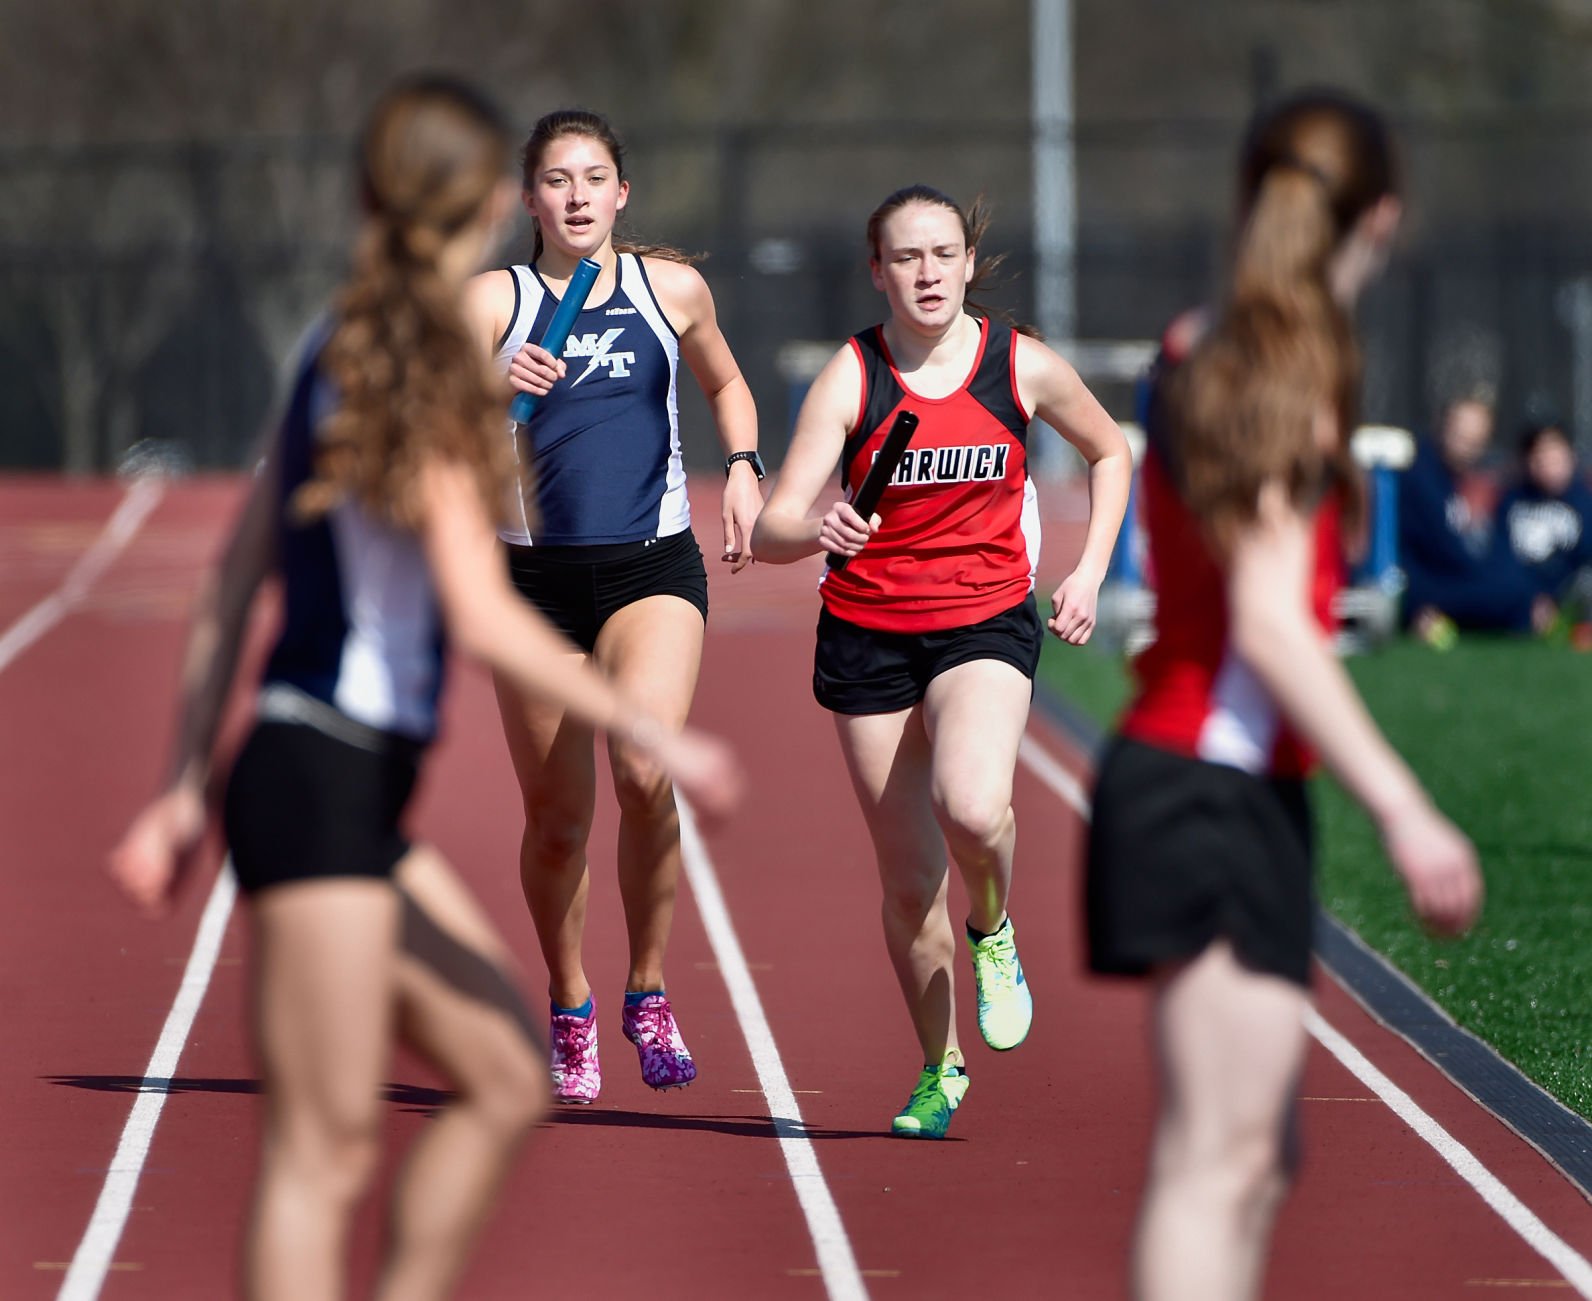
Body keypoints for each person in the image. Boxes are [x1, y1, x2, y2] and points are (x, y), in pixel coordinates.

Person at [108, 77, 740, 1301]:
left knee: (472, 1091)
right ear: (484, 212)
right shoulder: (422, 375)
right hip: (324, 776)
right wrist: (646, 730)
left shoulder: (327, 346)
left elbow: (232, 579)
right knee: (327, 1142)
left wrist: (185, 783)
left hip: (313, 776)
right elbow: (484, 608)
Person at [1084, 90, 1483, 1301]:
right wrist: (1403, 803)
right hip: (1199, 781)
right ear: (1380, 218)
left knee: (1251, 1157)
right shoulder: (1270, 365)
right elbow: (1266, 618)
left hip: (1222, 785)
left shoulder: (1216, 342)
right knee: (1218, 1160)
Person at [751, 184, 1132, 1139]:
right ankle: (939, 1064)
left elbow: (1110, 450)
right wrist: (818, 527)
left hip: (984, 624)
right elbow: (772, 526)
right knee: (909, 882)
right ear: (877, 272)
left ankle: (993, 926)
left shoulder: (1018, 365)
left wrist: (1087, 572)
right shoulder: (852, 377)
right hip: (869, 635)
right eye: (907, 258)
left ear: (971, 263)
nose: (927, 273)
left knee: (972, 805)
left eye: (943, 254)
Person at [460, 108, 761, 1105]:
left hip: (649, 570)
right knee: (556, 821)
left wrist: (748, 467)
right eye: (556, 179)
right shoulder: (488, 300)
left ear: (622, 192)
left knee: (642, 764)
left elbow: (724, 382)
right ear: (526, 198)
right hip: (532, 585)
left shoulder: (667, 288)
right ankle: (570, 1000)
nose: (576, 195)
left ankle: (647, 988)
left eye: (594, 177)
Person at [1399, 395, 1543, 644]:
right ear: (1442, 428)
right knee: (1512, 593)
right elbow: (1449, 553)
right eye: (1462, 438)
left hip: (1450, 578)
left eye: (1476, 442)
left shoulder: (1459, 478)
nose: (1468, 449)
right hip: (1425, 587)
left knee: (1515, 584)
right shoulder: (1421, 478)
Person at [1497, 420, 1592, 647]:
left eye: (1555, 456)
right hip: (1522, 593)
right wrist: (1532, 598)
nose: (1548, 465)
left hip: (1567, 592)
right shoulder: (1512, 501)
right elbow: (1501, 555)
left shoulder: (1582, 503)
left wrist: (1553, 598)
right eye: (1540, 457)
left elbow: (1582, 559)